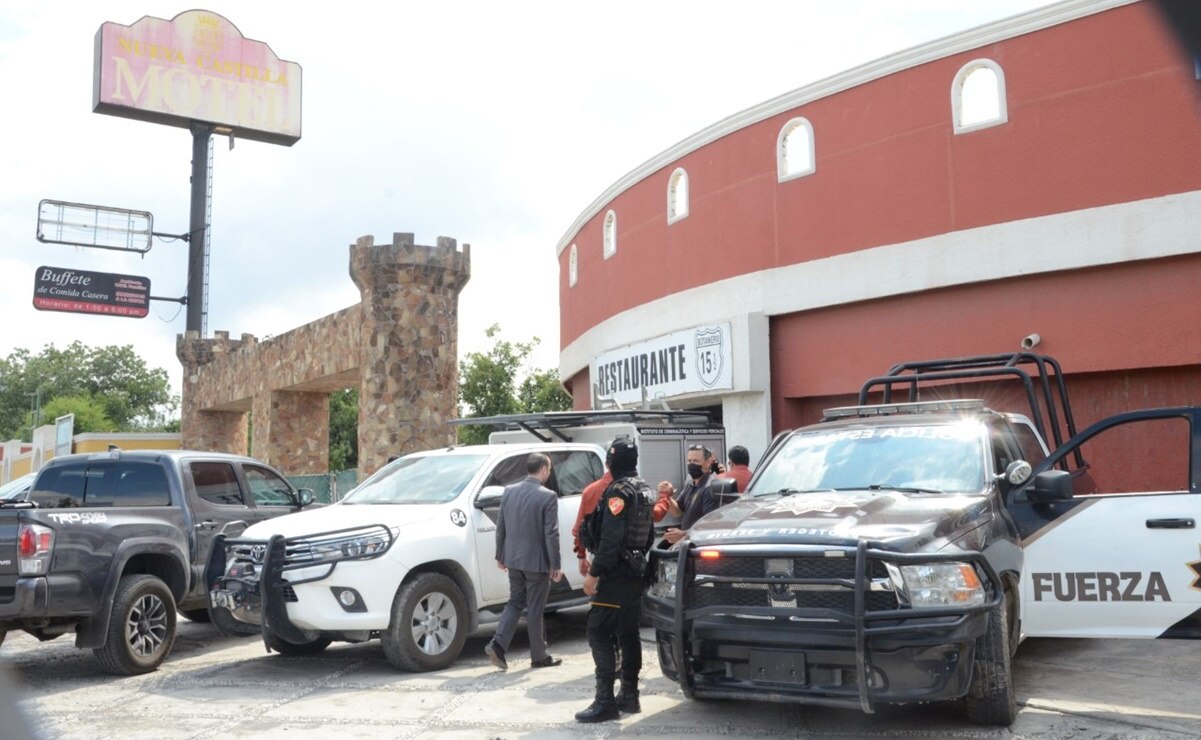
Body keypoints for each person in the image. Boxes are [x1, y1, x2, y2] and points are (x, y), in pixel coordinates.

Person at [575, 436, 655, 723]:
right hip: (635, 572)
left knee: (598, 631)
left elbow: (610, 540)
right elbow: (649, 536)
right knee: (628, 633)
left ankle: (605, 701)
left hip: (616, 575)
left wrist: (593, 574)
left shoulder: (618, 492)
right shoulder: (644, 489)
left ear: (610, 462)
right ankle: (630, 696)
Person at [486, 453, 564, 671]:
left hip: (513, 558)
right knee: (535, 609)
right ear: (543, 469)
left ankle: (497, 645)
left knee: (514, 602)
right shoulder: (548, 496)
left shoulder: (509, 491)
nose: (549, 473)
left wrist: (500, 555)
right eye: (549, 469)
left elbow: (501, 526)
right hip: (536, 562)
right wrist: (555, 564)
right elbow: (551, 534)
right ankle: (539, 656)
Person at [655, 444, 718, 544]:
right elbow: (677, 512)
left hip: (700, 544)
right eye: (689, 461)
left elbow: (710, 525)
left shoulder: (709, 488)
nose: (691, 465)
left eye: (696, 461)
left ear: (708, 462)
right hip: (687, 542)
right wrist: (668, 495)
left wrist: (684, 534)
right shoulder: (691, 484)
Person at [572, 462, 612, 577]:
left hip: (599, 556)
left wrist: (581, 555)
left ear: (606, 464)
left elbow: (580, 528)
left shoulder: (591, 490)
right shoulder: (635, 489)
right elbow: (654, 516)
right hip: (631, 559)